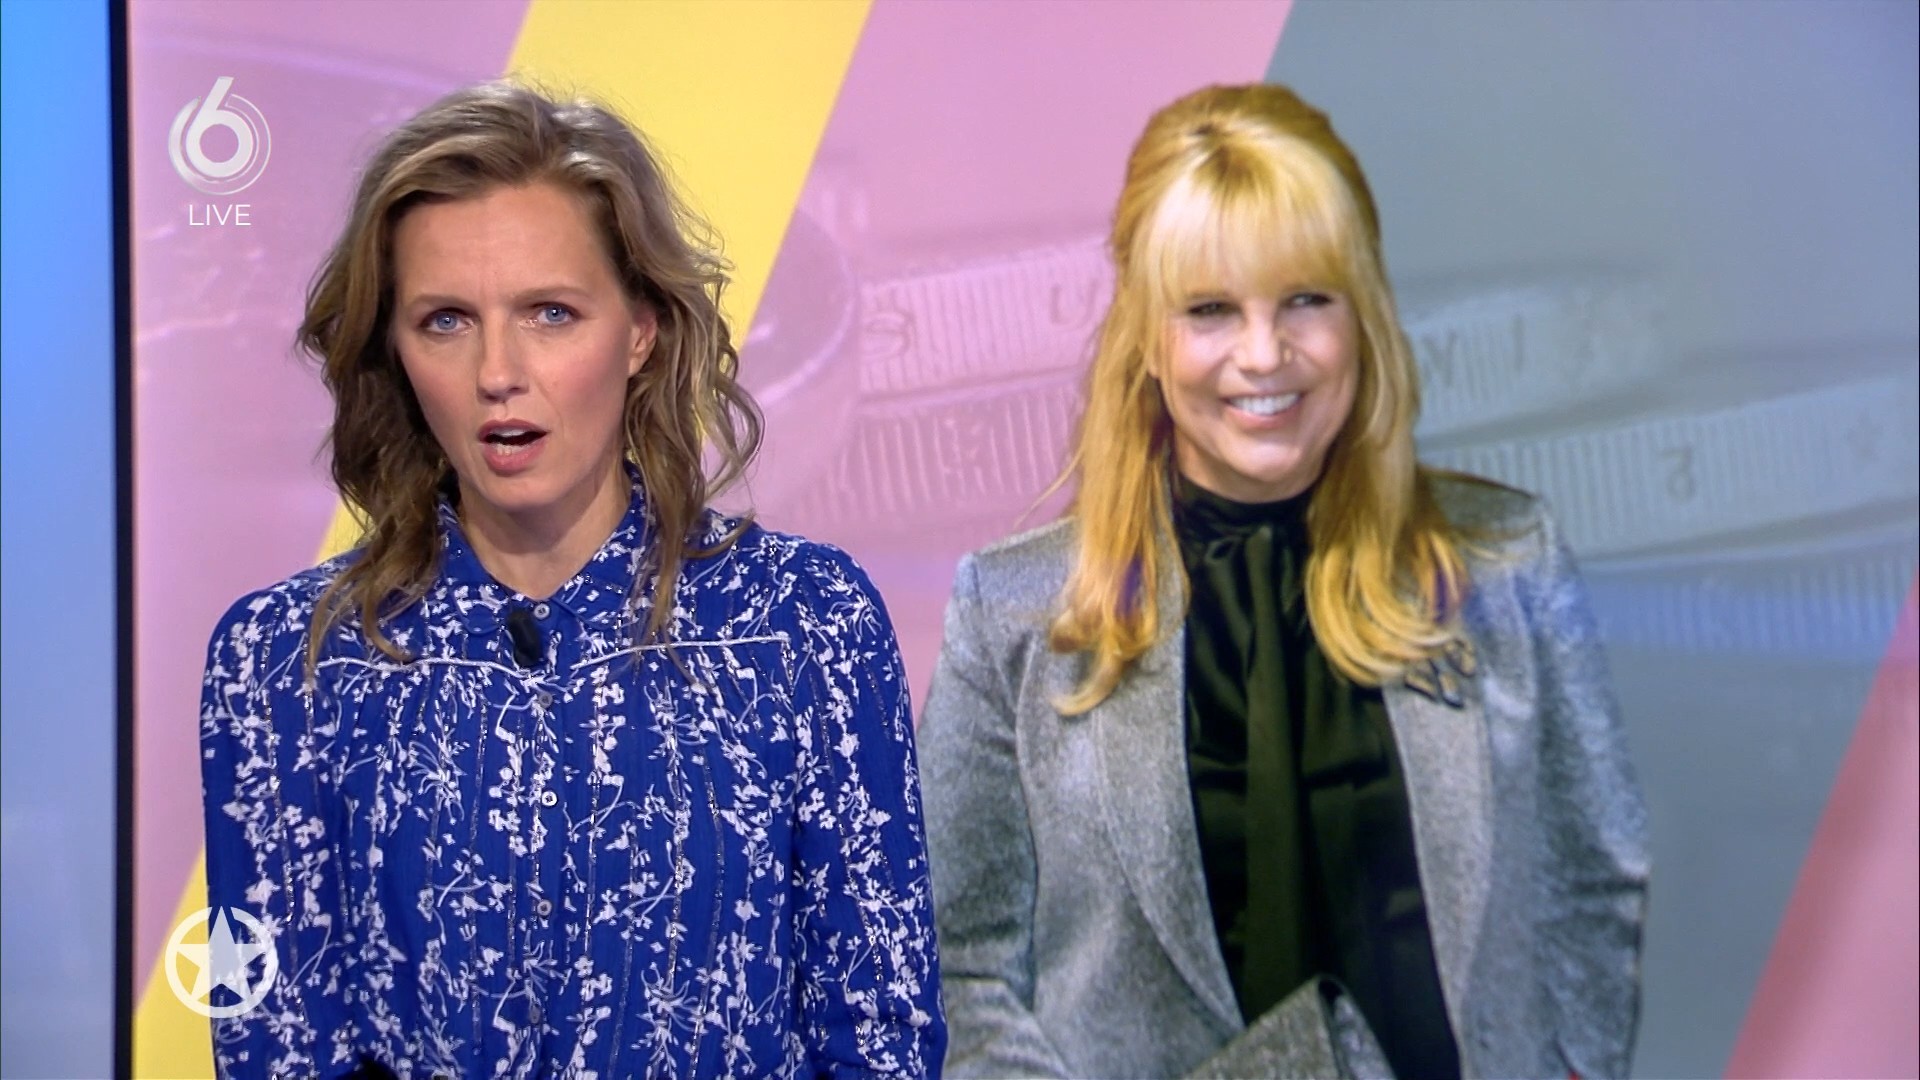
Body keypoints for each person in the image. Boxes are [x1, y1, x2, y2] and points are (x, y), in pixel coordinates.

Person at [198, 80, 944, 1079]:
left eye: (550, 313)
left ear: (640, 329)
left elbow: (882, 1040)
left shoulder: (802, 625)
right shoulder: (286, 662)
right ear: (393, 348)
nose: (498, 372)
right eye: (445, 321)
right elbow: (277, 1052)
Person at [919, 83, 1648, 1080]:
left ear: (1365, 315)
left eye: (1306, 298)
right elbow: (952, 968)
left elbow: (1591, 885)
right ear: (1146, 338)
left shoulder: (1511, 563)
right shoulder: (1007, 614)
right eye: (1210, 310)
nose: (1264, 355)